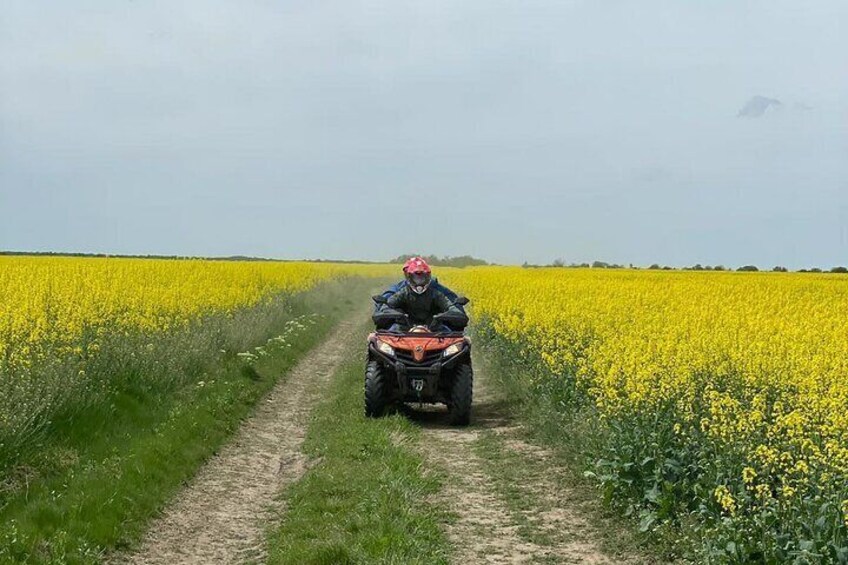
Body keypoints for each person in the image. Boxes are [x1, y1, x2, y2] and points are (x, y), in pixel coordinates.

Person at [375, 257, 468, 332]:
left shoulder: (436, 291)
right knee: (384, 338)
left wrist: (455, 313)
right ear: (408, 276)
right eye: (416, 277)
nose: (419, 281)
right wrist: (386, 311)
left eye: (422, 277)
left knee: (457, 341)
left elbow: (450, 304)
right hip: (404, 329)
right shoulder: (402, 291)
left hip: (435, 329)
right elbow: (387, 304)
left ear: (428, 277)